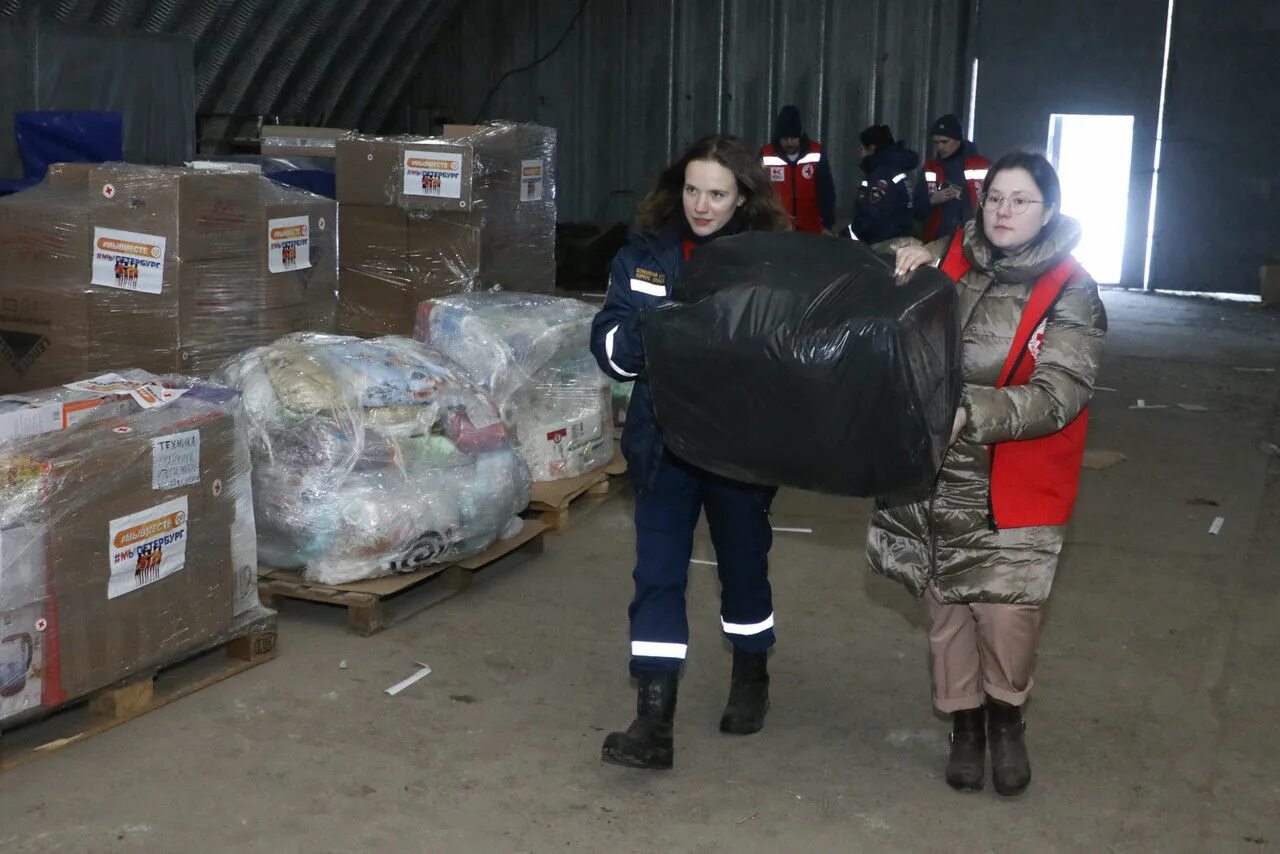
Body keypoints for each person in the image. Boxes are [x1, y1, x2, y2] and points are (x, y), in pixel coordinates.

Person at [870, 152, 1107, 796]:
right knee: (945, 607)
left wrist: (969, 411)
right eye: (995, 198)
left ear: (1049, 211)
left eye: (1021, 201)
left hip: (1009, 478)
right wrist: (904, 251)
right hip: (933, 474)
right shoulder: (950, 256)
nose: (1004, 212)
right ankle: (964, 725)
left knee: (1005, 615)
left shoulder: (1071, 288)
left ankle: (1006, 718)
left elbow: (1061, 391)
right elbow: (878, 269)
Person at [590, 134, 791, 770]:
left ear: (743, 199)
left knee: (743, 571)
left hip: (739, 450)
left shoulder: (768, 264)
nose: (702, 205)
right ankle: (654, 722)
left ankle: (752, 677)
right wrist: (662, 330)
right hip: (665, 446)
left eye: (718, 193)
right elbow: (612, 348)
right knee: (656, 578)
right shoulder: (645, 255)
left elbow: (787, 355)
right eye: (692, 190)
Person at [914, 114, 991, 242]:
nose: (940, 147)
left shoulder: (982, 166)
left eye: (944, 142)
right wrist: (932, 200)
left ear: (958, 139)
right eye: (936, 142)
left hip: (974, 241)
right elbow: (916, 210)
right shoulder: (931, 168)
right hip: (936, 242)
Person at [760, 105, 836, 234]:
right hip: (777, 228)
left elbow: (826, 191)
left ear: (800, 136)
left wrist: (827, 224)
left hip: (811, 228)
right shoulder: (766, 154)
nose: (789, 143)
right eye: (785, 139)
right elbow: (759, 190)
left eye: (793, 138)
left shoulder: (816, 153)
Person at [852, 124, 920, 243]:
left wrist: (849, 233)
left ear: (871, 148)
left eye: (862, 148)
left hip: (883, 244)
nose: (860, 154)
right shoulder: (898, 168)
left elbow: (872, 215)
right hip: (898, 239)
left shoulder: (882, 175)